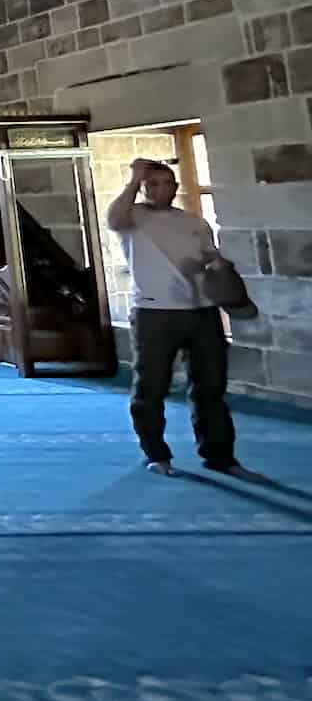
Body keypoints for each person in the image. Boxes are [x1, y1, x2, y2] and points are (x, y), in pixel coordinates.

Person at [104, 158, 254, 478]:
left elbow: (210, 258)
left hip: (201, 310)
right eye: (152, 184)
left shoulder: (194, 223)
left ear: (175, 186)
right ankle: (157, 454)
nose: (161, 189)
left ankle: (220, 456)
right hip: (155, 312)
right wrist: (133, 180)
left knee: (210, 386)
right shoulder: (134, 218)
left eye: (166, 183)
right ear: (144, 188)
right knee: (152, 386)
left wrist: (212, 266)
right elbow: (114, 218)